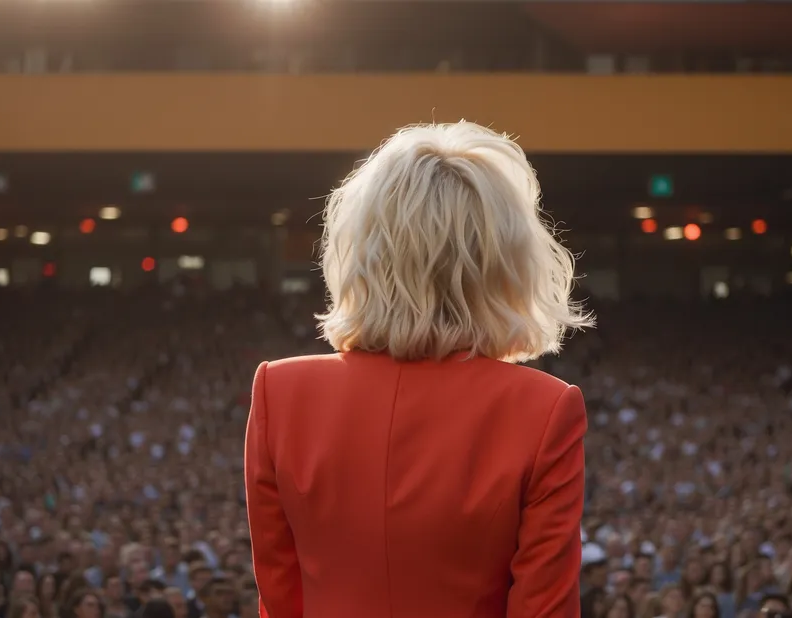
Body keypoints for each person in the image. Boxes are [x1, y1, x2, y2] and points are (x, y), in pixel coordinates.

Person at [244, 122, 592, 618]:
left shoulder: (280, 392)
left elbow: (280, 601)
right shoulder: (545, 409)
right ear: (504, 261)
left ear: (361, 250)